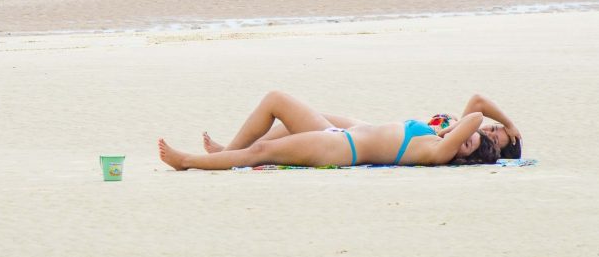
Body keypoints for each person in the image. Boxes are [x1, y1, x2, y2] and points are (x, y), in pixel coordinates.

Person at [158, 91, 501, 171]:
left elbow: (474, 114)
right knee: (276, 100)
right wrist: (505, 129)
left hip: (342, 149)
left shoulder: (439, 152)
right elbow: (473, 111)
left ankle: (186, 161)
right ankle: (227, 152)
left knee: (261, 152)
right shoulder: (436, 136)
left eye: (466, 144)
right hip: (341, 136)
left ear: (460, 155)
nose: (461, 136)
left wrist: (469, 132)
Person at [202, 93, 522, 158]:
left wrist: (505, 128)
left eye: (496, 138)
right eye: (494, 128)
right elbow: (477, 103)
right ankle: (230, 150)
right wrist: (510, 125)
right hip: (371, 129)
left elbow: (476, 110)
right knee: (293, 123)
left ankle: (226, 154)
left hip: (367, 139)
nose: (491, 132)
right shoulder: (459, 130)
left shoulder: (457, 142)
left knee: (292, 123)